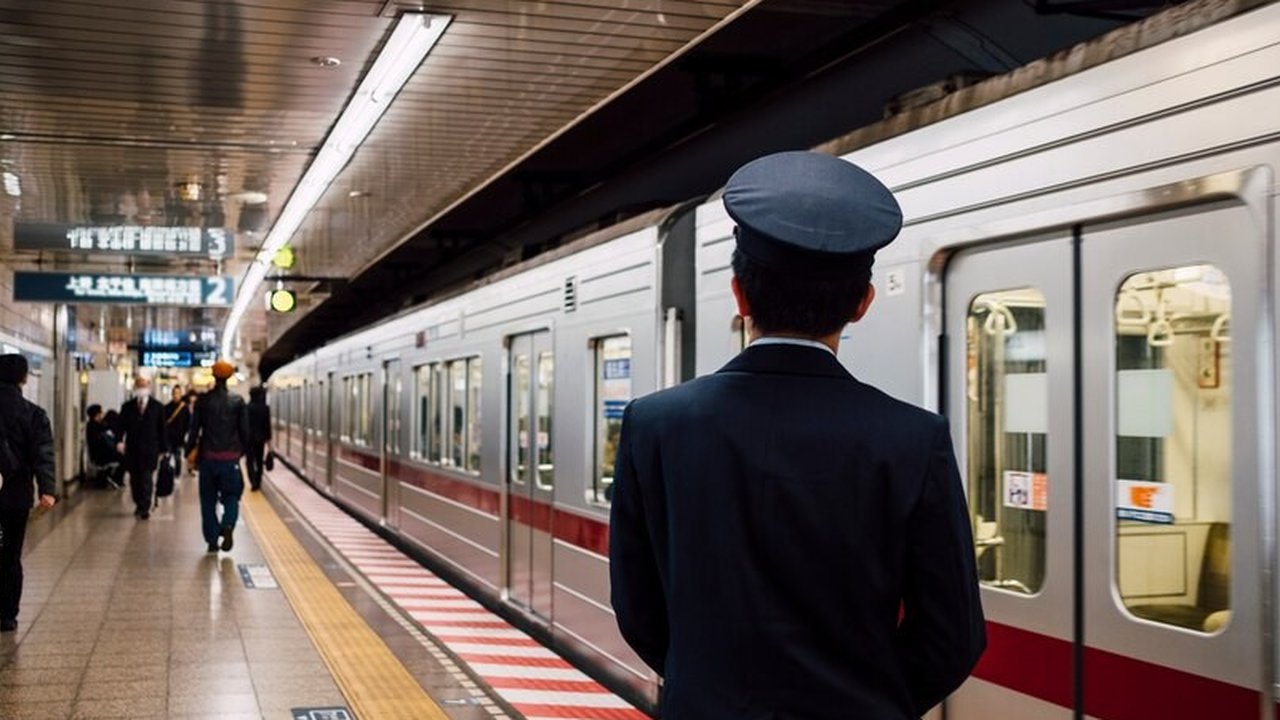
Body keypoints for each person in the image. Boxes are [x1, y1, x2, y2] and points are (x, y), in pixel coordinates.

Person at [608, 151, 986, 719]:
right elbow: (953, 634)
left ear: (739, 297)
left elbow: (638, 610)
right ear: (862, 305)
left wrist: (711, 691)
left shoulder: (655, 425)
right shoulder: (912, 439)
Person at [0, 354, 56, 632]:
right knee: (10, 552)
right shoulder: (33, 414)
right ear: (23, 378)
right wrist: (47, 489)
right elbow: (43, 454)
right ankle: (7, 614)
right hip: (15, 495)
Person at [187, 360, 249, 553]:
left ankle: (212, 541)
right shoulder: (238, 402)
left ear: (213, 377)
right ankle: (228, 524)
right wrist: (241, 453)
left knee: (208, 500)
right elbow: (244, 432)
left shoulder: (202, 401)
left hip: (208, 459)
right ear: (230, 377)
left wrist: (188, 452)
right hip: (230, 459)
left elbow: (194, 430)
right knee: (231, 496)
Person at [118, 375, 167, 519]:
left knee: (146, 478)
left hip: (150, 449)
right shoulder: (127, 407)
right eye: (139, 386)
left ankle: (144, 506)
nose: (141, 389)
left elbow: (162, 428)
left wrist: (164, 449)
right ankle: (138, 502)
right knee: (135, 479)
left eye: (144, 386)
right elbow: (121, 426)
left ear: (149, 388)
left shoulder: (157, 407)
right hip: (132, 449)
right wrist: (119, 441)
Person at [85, 404, 123, 488]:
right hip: (101, 455)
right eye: (101, 412)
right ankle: (115, 480)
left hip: (100, 454)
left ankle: (108, 479)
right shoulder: (96, 427)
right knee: (123, 458)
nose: (103, 414)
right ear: (97, 414)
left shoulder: (92, 425)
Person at [246, 385, 271, 492]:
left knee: (250, 461)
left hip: (249, 439)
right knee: (259, 461)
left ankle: (253, 481)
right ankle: (258, 481)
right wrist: (269, 441)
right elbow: (267, 425)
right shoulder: (265, 408)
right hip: (260, 439)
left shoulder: (247, 407)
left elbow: (244, 424)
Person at [162, 385, 191, 476]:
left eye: (178, 393)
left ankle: (177, 475)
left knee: (178, 457)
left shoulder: (184, 409)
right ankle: (167, 476)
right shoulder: (166, 408)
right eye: (174, 393)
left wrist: (185, 434)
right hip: (168, 437)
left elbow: (188, 423)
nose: (176, 395)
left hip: (179, 438)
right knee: (167, 457)